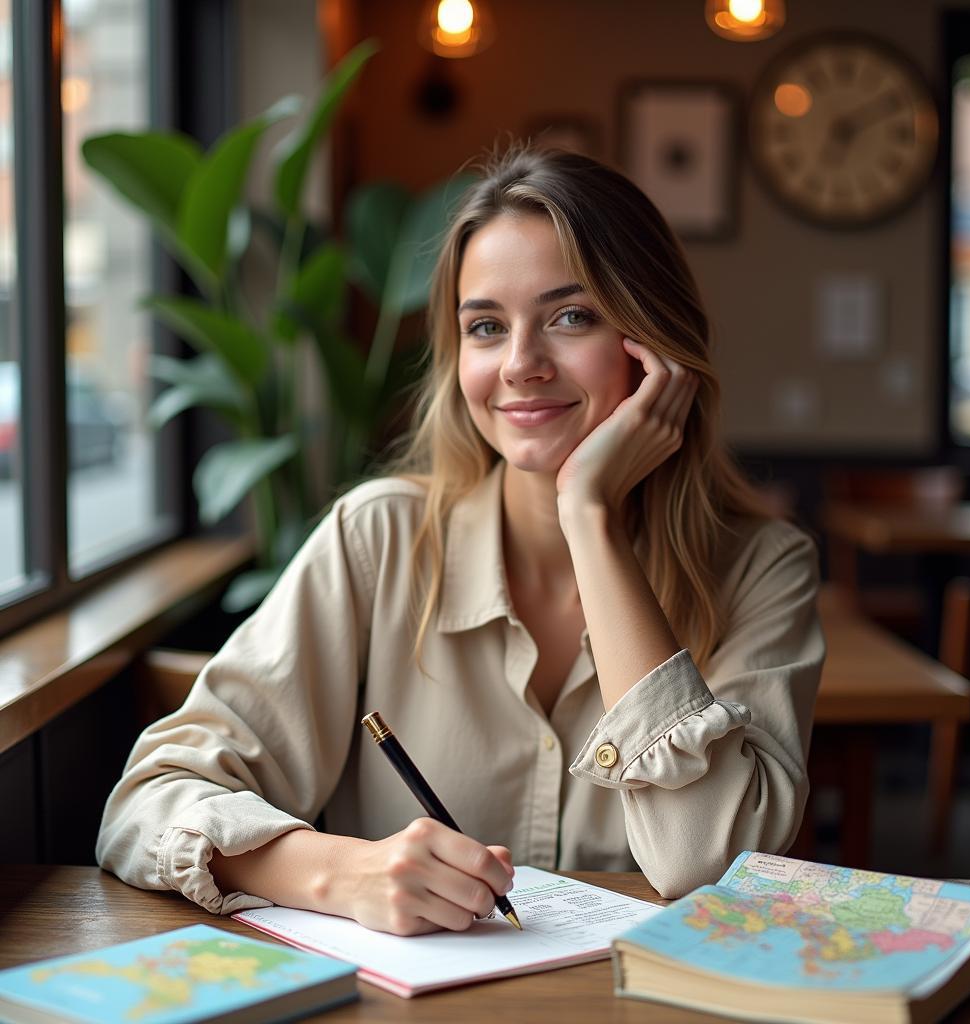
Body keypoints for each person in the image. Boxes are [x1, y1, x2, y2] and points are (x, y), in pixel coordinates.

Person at [97, 144, 824, 937]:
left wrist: (590, 515)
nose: (519, 364)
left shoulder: (762, 568)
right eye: (485, 326)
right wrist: (338, 871)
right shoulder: (378, 540)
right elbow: (145, 804)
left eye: (570, 316)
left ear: (656, 349)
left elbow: (706, 867)